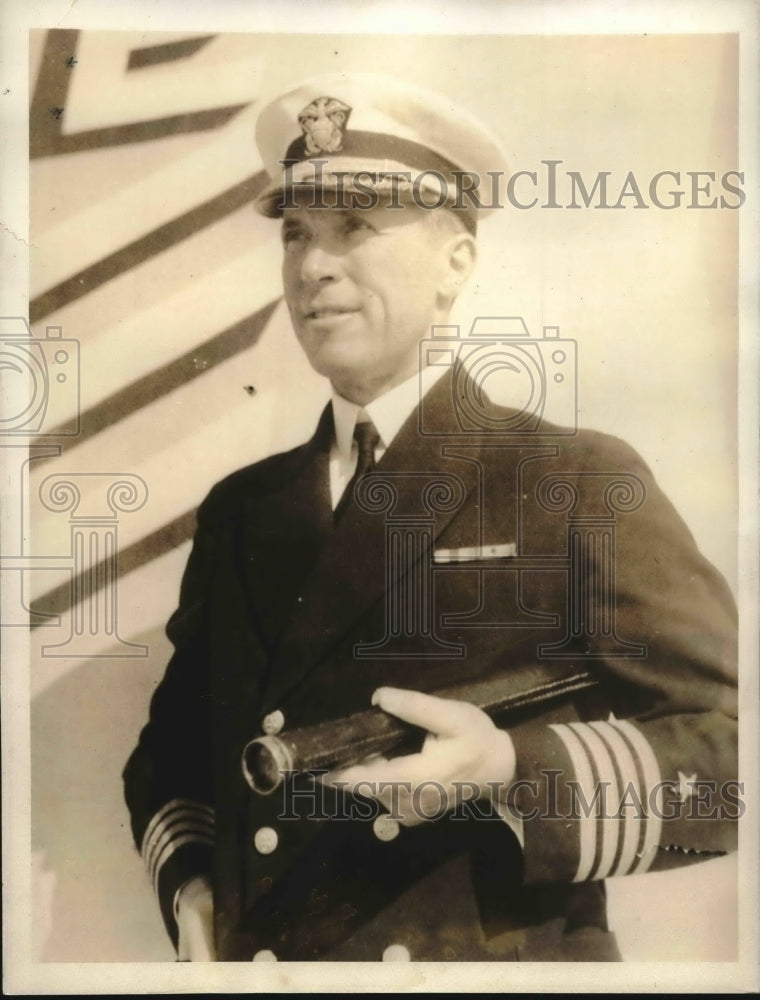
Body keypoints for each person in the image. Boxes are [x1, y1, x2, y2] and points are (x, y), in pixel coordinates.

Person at [123, 73, 738, 962]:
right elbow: (173, 753)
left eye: (354, 228)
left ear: (456, 261)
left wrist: (511, 774)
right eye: (295, 233)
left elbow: (730, 759)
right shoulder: (243, 511)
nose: (310, 266)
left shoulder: (572, 477)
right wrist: (189, 889)